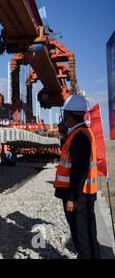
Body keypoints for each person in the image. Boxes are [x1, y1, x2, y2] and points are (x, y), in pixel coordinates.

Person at [54, 95, 100, 259]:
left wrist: (72, 198)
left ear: (68, 115)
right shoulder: (80, 134)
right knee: (88, 235)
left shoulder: (79, 137)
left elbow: (79, 169)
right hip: (84, 193)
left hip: (78, 196)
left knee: (82, 239)